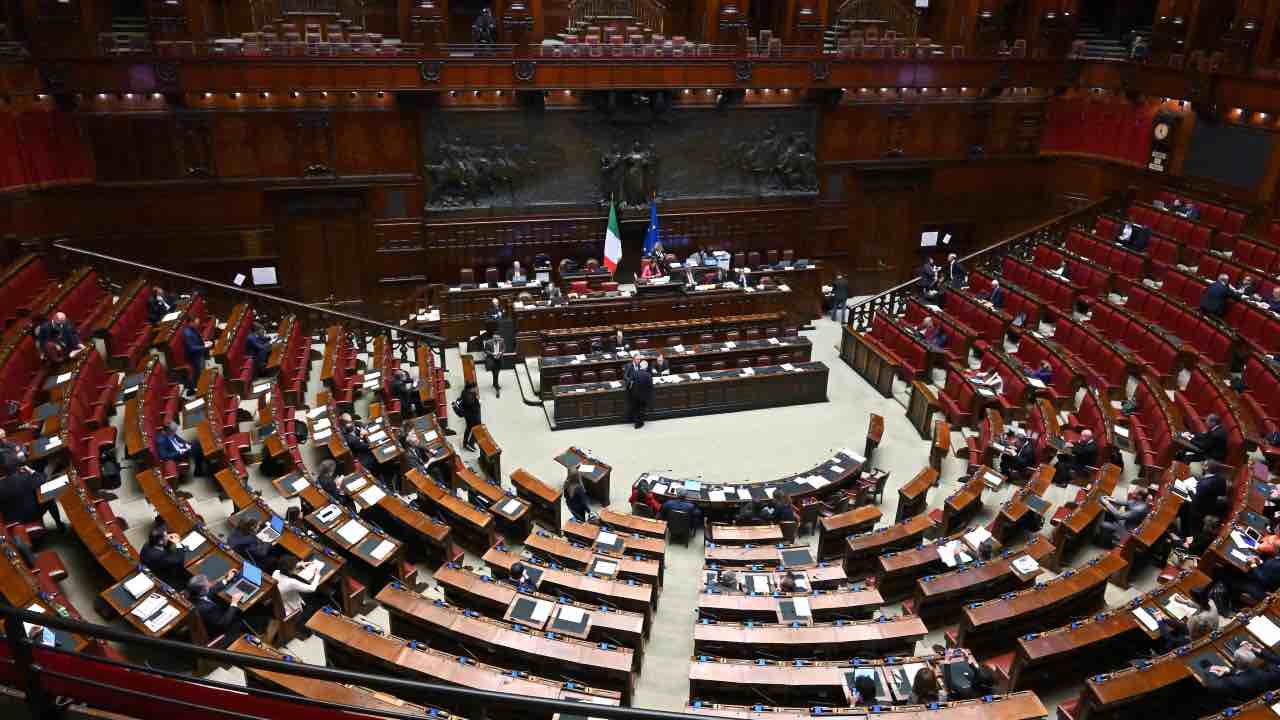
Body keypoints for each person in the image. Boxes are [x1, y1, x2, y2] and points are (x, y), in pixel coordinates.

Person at [1204, 642, 1280, 702]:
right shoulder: (1267, 674)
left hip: (1243, 700)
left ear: (1235, 661)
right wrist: (1230, 670)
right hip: (1260, 695)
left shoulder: (1232, 681)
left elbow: (1213, 686)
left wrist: (1211, 670)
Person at [0, 463, 64, 532]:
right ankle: (59, 525)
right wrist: (31, 471)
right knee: (49, 499)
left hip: (11, 521)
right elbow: (43, 480)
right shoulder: (25, 475)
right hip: (32, 515)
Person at [187, 572, 244, 644]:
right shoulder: (206, 608)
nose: (210, 584)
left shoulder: (193, 596)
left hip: (213, 618)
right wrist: (234, 603)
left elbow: (210, 591)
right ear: (202, 591)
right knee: (241, 614)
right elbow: (223, 623)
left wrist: (226, 580)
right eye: (207, 585)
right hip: (224, 630)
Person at [271, 556, 327, 625]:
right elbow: (312, 588)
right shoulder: (291, 583)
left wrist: (298, 564)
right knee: (316, 600)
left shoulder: (275, 572)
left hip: (282, 601)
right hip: (293, 608)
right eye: (294, 566)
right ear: (290, 570)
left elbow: (285, 568)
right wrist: (317, 575)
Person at [181, 316, 211, 396]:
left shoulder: (192, 328)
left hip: (199, 353)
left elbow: (198, 339)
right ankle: (199, 391)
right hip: (194, 357)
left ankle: (202, 387)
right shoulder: (187, 334)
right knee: (200, 373)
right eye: (196, 323)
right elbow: (192, 348)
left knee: (202, 371)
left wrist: (204, 343)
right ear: (191, 322)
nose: (197, 325)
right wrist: (204, 347)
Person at [628, 359, 654, 429]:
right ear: (646, 367)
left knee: (636, 409)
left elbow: (630, 382)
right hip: (644, 396)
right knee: (642, 409)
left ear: (640, 366)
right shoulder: (648, 375)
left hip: (635, 394)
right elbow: (651, 386)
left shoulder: (634, 373)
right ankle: (640, 423)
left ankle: (636, 423)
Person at [459, 381, 482, 452]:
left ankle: (465, 443)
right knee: (478, 429)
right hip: (473, 416)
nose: (476, 389)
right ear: (472, 388)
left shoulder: (464, 392)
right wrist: (478, 402)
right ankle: (470, 443)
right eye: (475, 388)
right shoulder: (470, 395)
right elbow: (472, 406)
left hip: (468, 415)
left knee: (468, 428)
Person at [484, 332, 504, 398]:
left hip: (499, 359)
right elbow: (486, 351)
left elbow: (504, 348)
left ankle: (495, 383)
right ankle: (496, 385)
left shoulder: (501, 341)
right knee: (494, 372)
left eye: (498, 338)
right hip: (492, 359)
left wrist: (501, 352)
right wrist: (493, 354)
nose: (497, 339)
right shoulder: (488, 342)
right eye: (495, 338)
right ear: (493, 338)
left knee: (497, 372)